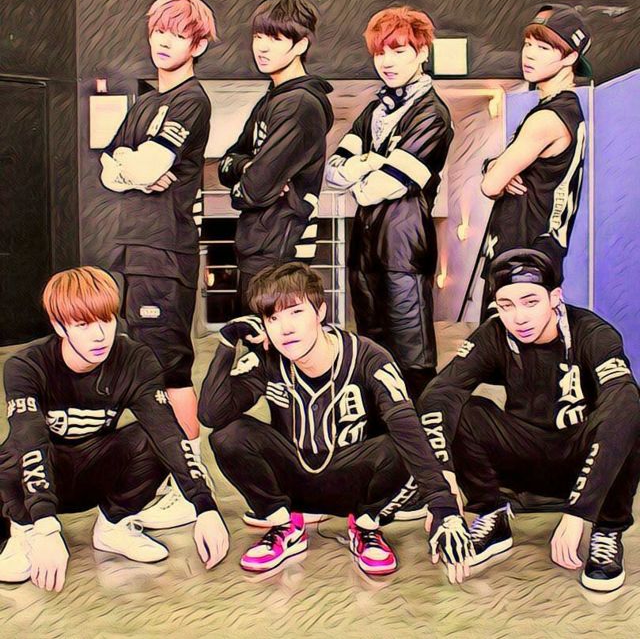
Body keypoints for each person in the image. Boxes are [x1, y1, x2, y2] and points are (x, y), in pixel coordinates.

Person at [198, 262, 473, 581]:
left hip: (354, 482)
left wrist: (444, 508)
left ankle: (366, 528)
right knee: (228, 435)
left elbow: (406, 424)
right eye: (273, 318)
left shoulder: (368, 356)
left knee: (401, 441)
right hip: (295, 479)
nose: (285, 328)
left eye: (296, 312)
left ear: (320, 312)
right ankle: (285, 526)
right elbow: (212, 415)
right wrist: (227, 342)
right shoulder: (266, 359)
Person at [418, 249, 640, 592]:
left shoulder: (593, 333)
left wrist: (580, 512)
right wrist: (442, 482)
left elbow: (622, 400)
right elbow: (440, 393)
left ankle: (607, 530)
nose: (518, 317)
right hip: (525, 457)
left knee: (627, 404)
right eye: (505, 305)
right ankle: (492, 515)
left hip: (582, 461)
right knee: (464, 409)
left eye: (530, 302)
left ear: (555, 297)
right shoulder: (493, 334)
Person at [0, 267, 229, 592]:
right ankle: (25, 533)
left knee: (152, 439)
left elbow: (166, 432)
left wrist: (204, 506)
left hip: (94, 471)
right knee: (15, 450)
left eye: (106, 320)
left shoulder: (135, 359)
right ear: (59, 326)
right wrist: (46, 527)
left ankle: (113, 526)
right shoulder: (26, 366)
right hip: (41, 478)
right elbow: (29, 439)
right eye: (83, 324)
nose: (99, 335)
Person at [100, 0, 216, 527]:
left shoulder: (191, 100)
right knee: (145, 365)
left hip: (165, 252)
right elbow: (108, 167)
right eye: (158, 32)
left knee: (169, 368)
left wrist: (133, 167)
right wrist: (131, 165)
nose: (163, 42)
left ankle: (191, 487)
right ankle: (164, 475)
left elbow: (144, 167)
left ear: (198, 44)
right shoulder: (145, 102)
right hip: (134, 249)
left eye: (177, 34)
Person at [325, 6, 453, 406]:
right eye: (381, 52)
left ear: (422, 53)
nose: (387, 61)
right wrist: (372, 162)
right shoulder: (373, 111)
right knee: (370, 352)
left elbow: (377, 188)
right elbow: (333, 172)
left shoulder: (432, 113)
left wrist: (361, 173)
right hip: (363, 250)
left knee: (412, 358)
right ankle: (379, 433)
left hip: (404, 248)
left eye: (399, 51)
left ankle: (421, 435)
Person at [217, 0, 333, 308]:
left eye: (275, 38)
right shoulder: (273, 98)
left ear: (300, 45)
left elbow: (256, 187)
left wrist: (244, 183)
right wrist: (245, 168)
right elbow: (227, 164)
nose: (262, 47)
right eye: (258, 36)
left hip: (280, 251)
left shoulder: (299, 104)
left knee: (268, 334)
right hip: (262, 246)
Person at [479, 4, 591, 319]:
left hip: (522, 256)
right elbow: (498, 172)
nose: (529, 54)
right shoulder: (564, 111)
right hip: (537, 253)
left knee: (507, 344)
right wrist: (496, 166)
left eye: (544, 48)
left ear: (570, 57)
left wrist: (497, 171)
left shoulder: (547, 118)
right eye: (528, 44)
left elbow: (490, 185)